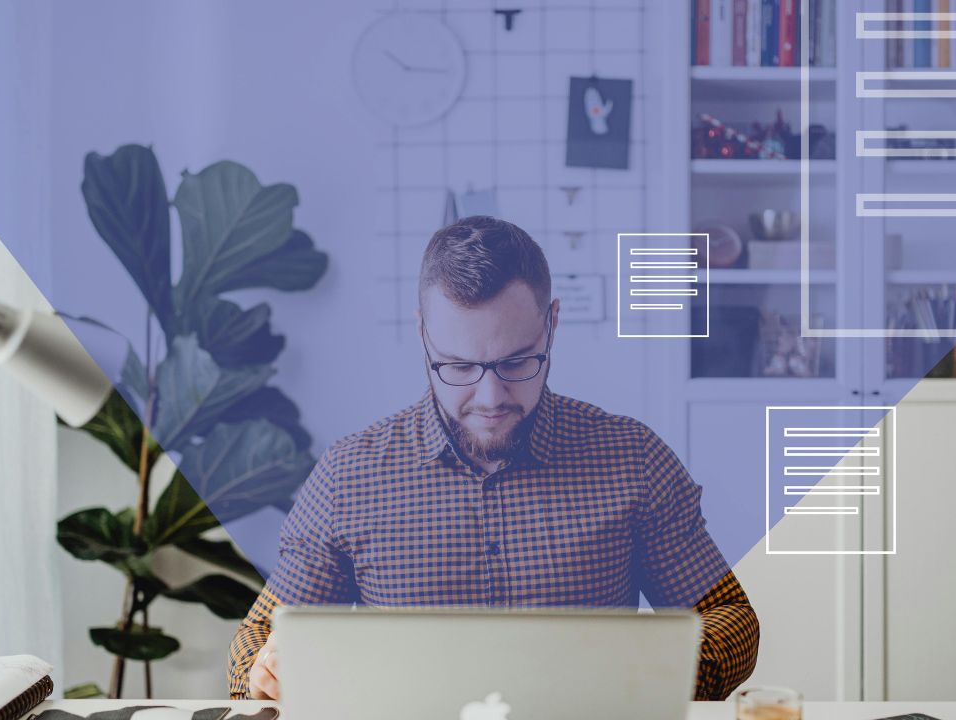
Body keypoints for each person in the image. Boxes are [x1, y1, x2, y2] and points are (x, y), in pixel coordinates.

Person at [228, 216, 759, 700]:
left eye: (515, 362)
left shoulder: (632, 460)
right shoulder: (350, 476)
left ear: (551, 325)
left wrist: (650, 676)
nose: (489, 399)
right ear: (423, 335)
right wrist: (264, 671)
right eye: (457, 367)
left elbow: (731, 618)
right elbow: (255, 641)